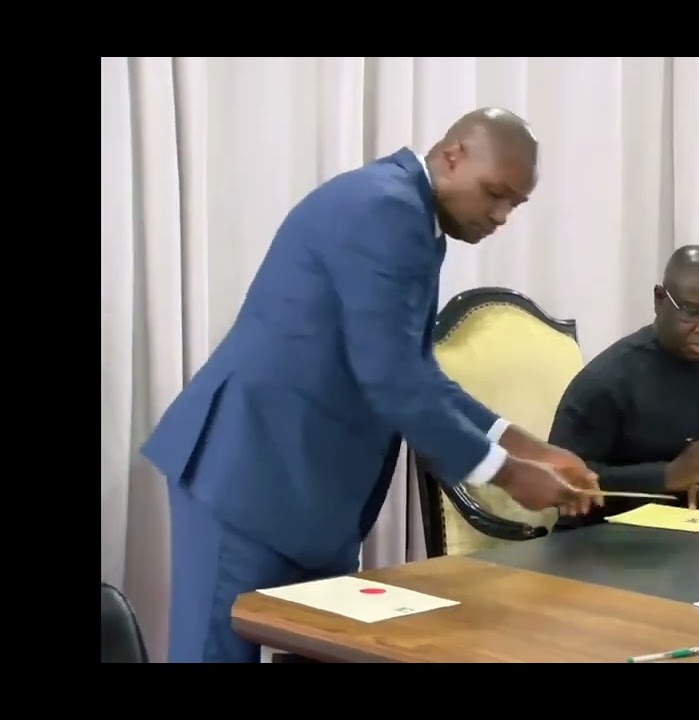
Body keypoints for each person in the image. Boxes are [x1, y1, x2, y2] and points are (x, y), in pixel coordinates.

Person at [142, 108, 602, 663]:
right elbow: (391, 378)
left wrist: (528, 447)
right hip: (247, 474)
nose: (501, 216)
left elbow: (417, 371)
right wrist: (505, 474)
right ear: (453, 155)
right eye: (495, 193)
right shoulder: (384, 209)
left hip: (315, 494)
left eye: (516, 204)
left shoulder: (417, 219)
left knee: (330, 652)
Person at [548, 245, 699, 524]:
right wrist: (669, 476)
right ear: (659, 300)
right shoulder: (606, 380)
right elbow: (561, 480)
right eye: (691, 312)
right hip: (620, 548)